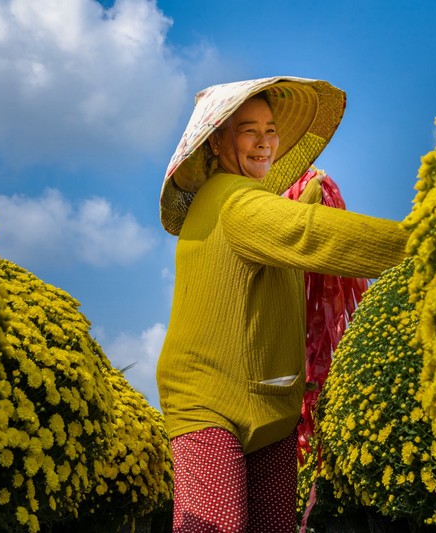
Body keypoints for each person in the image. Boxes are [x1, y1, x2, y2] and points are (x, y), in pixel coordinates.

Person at [157, 76, 408, 532]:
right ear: (217, 141)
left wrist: (314, 194)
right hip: (209, 402)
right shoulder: (231, 201)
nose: (264, 142)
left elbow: (289, 232)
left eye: (271, 129)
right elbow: (308, 233)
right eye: (248, 130)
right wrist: (426, 241)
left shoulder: (255, 203)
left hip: (272, 403)